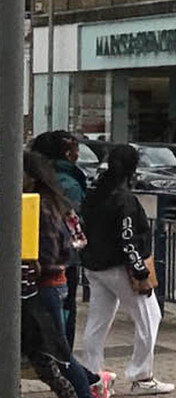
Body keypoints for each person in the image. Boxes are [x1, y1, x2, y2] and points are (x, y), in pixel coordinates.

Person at [22, 152, 104, 398]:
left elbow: (52, 251)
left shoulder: (40, 206)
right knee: (51, 353)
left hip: (43, 286)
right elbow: (75, 242)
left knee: (56, 354)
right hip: (49, 284)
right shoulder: (52, 202)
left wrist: (39, 264)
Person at [77, 144, 172, 395]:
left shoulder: (94, 194)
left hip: (95, 266)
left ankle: (91, 373)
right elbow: (128, 238)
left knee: (98, 321)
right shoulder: (125, 199)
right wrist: (139, 269)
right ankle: (141, 375)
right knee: (150, 317)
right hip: (120, 269)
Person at [32, 132, 87, 344]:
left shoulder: (36, 175)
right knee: (63, 314)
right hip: (58, 260)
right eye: (75, 151)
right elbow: (70, 220)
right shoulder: (66, 183)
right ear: (67, 153)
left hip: (42, 257)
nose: (78, 154)